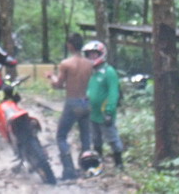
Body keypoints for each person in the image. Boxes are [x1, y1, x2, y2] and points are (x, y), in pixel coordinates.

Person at [46, 32, 92, 180]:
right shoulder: (90, 64)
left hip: (72, 102)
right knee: (85, 137)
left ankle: (68, 170)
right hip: (86, 102)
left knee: (61, 136)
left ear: (69, 45)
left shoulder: (66, 64)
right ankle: (87, 167)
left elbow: (58, 85)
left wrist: (51, 77)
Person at [83, 40, 124, 170]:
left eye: (94, 54)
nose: (91, 57)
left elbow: (113, 93)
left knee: (112, 138)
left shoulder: (109, 71)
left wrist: (109, 111)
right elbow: (89, 90)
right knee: (96, 139)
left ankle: (119, 163)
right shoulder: (92, 72)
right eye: (89, 54)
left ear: (100, 54)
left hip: (104, 112)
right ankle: (99, 163)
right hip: (92, 113)